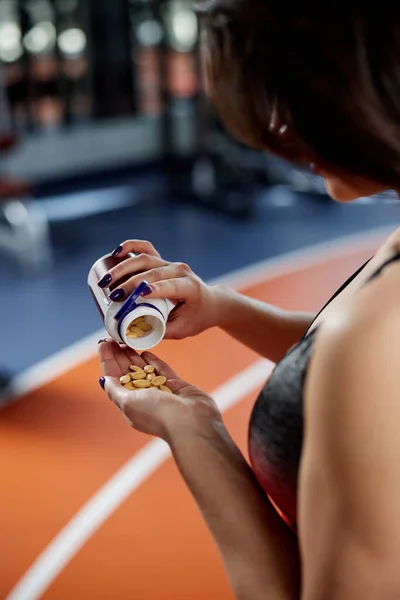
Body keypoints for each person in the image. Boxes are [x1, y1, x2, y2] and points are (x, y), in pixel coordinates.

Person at [98, 2, 400, 598]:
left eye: (303, 97)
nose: (282, 130)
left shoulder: (373, 337)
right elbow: (351, 373)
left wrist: (196, 432)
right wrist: (223, 309)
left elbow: (366, 361)